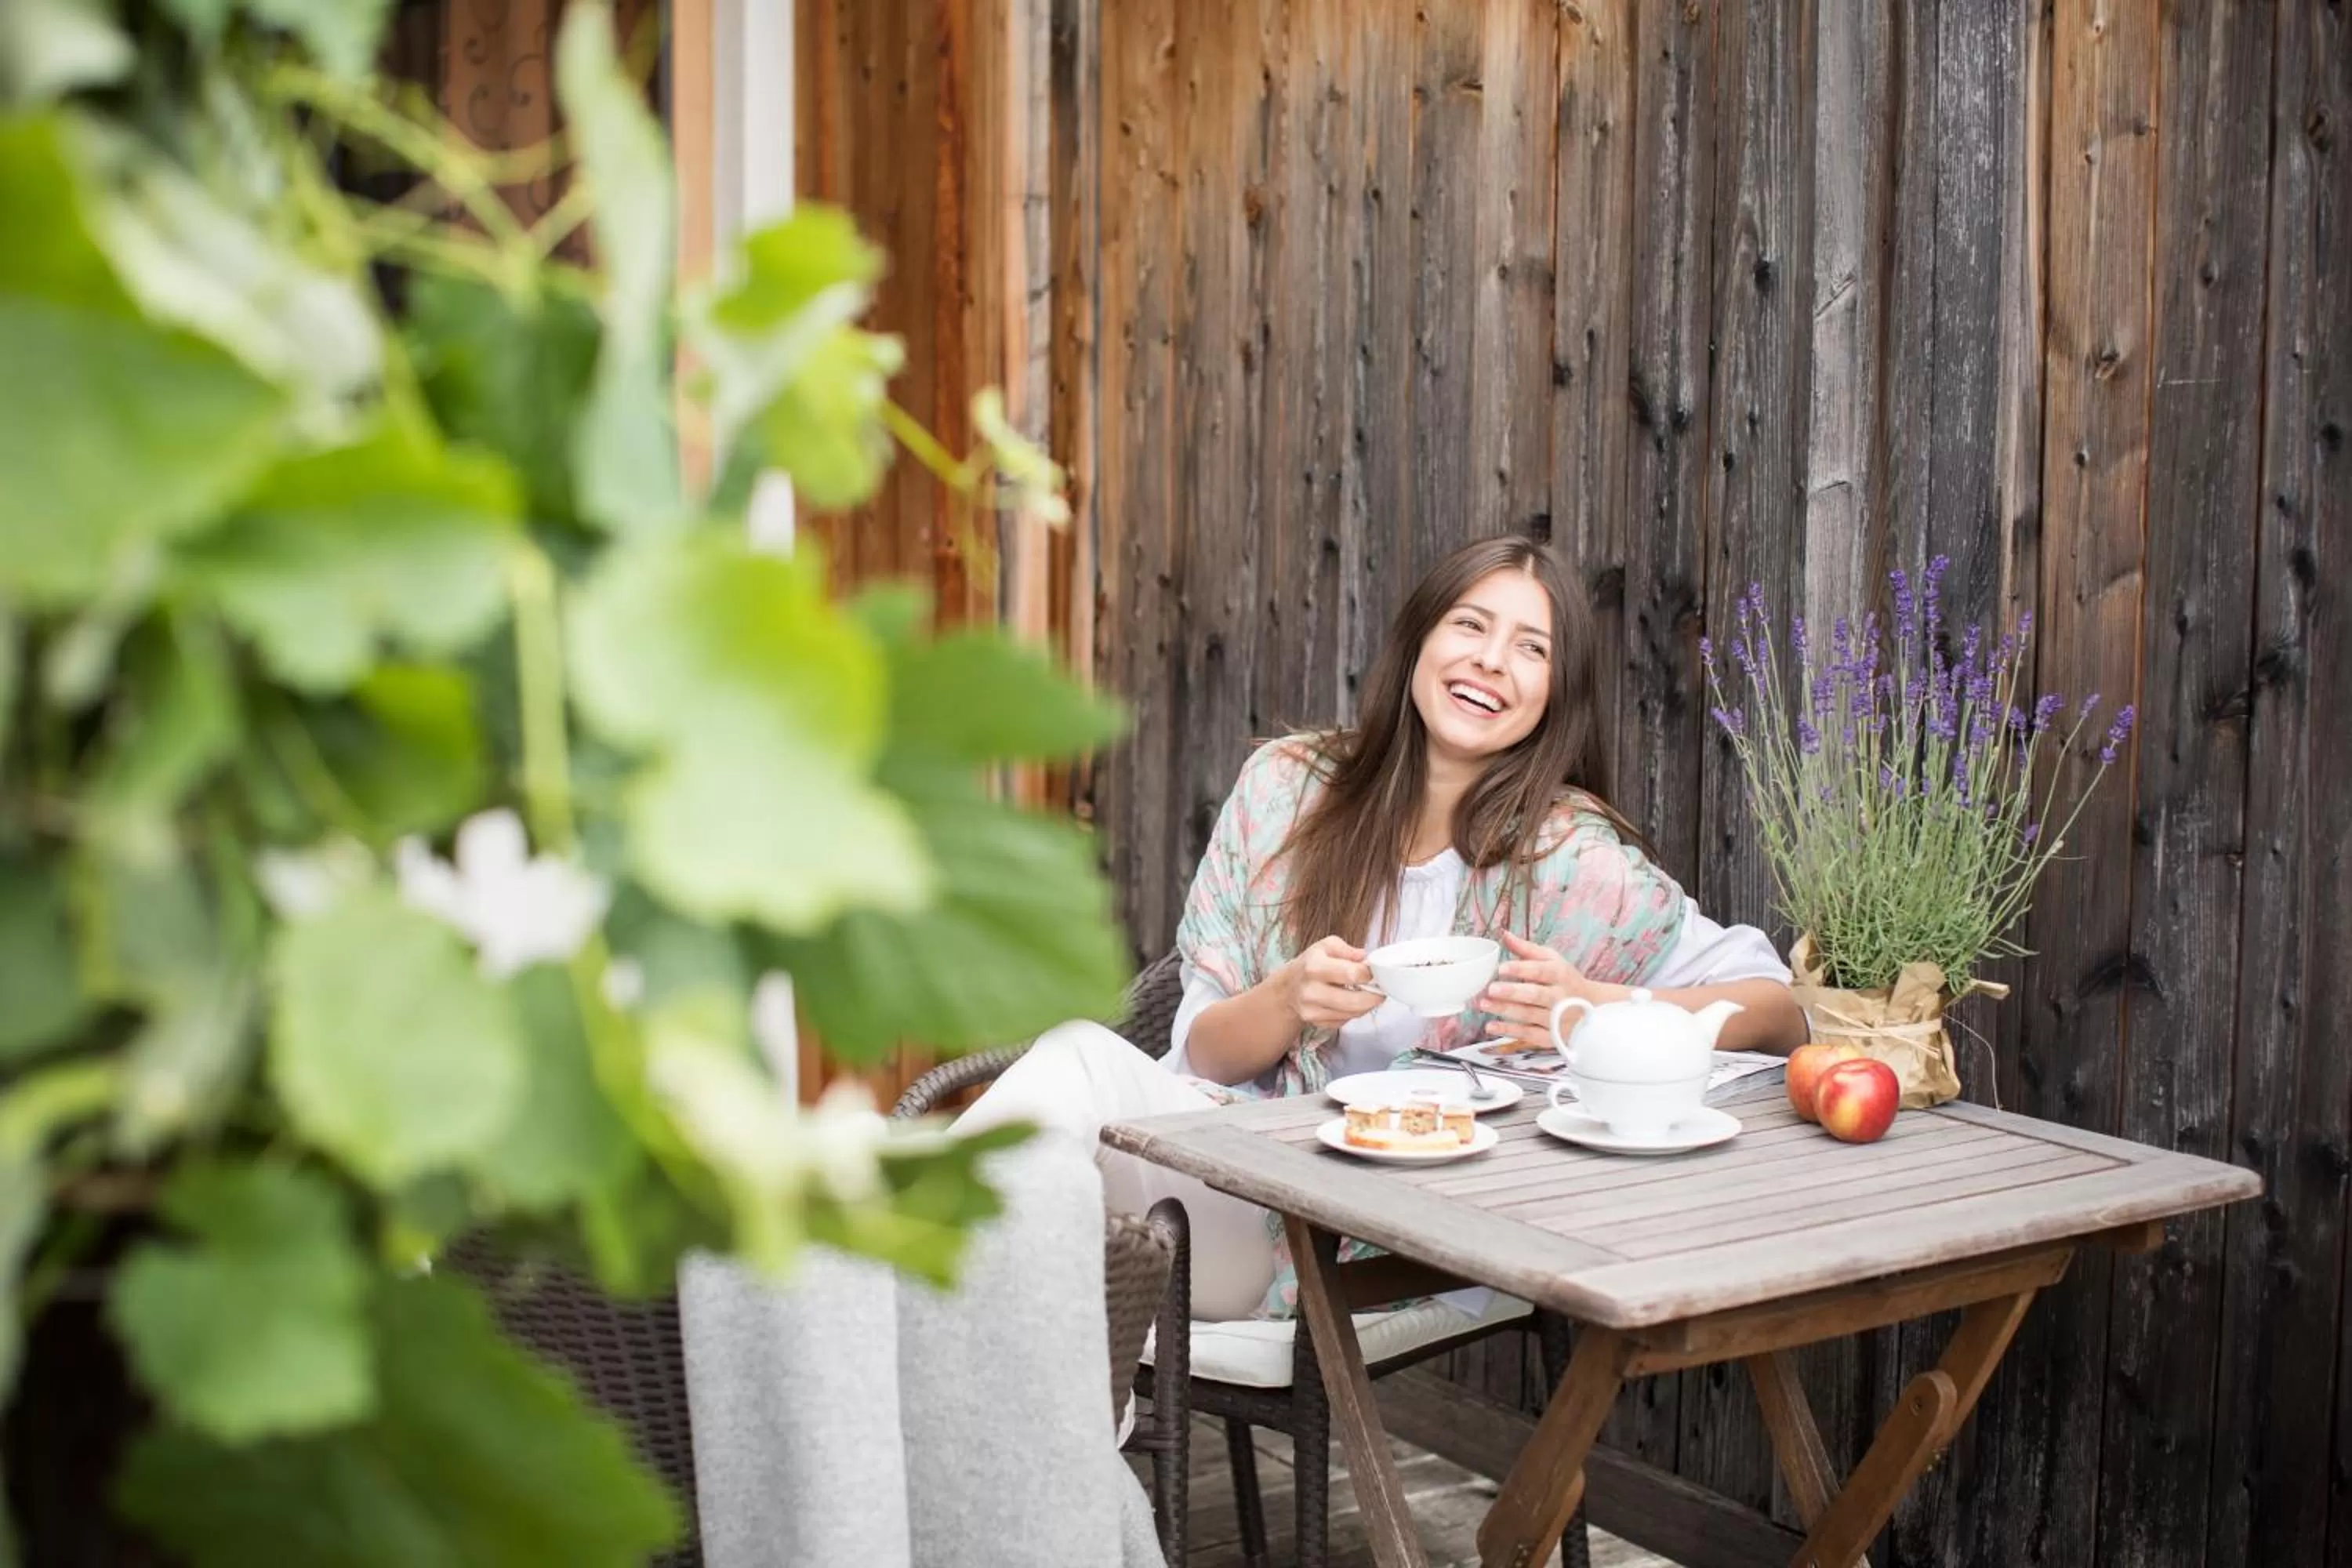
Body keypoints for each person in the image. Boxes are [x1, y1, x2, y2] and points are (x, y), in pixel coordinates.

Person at [956, 533, 1806, 1321]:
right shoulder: (1285, 792)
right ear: (1419, 642)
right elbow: (1204, 1054)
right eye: (1470, 624)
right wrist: (1288, 998)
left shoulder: (1572, 861)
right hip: (1227, 1184)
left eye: (1531, 647)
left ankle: (870, 1321)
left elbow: (1781, 1007)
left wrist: (1596, 1002)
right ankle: (914, 1339)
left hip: (1363, 1250)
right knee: (1059, 1129)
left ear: (1556, 694)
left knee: (1037, 1211)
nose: (1490, 659)